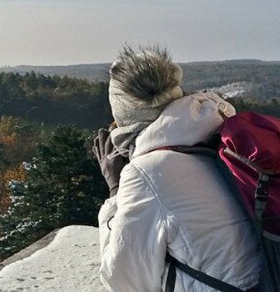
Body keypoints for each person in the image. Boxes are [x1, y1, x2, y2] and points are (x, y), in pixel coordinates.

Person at [94, 45, 263, 292]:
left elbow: (123, 281)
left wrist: (115, 191)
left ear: (124, 114)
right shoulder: (218, 134)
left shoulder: (148, 171)